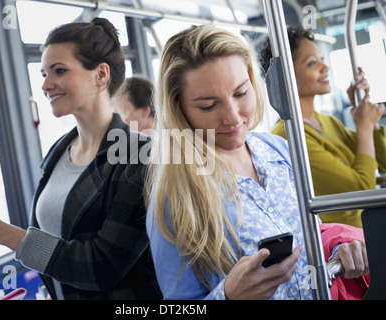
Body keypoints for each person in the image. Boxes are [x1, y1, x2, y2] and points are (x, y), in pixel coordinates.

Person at [144, 24, 369, 300]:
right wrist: (228, 296)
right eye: (208, 106)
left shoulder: (280, 149)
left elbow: (310, 236)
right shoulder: (175, 197)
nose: (233, 117)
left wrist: (338, 248)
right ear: (180, 110)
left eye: (240, 93)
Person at [0, 18, 162, 300]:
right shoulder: (59, 151)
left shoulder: (138, 156)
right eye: (43, 74)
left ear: (100, 74)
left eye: (59, 71)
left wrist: (5, 234)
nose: (46, 85)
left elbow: (101, 267)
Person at [259, 26, 386, 228]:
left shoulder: (326, 121)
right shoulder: (288, 135)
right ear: (286, 77)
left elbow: (382, 161)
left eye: (322, 60)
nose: (325, 68)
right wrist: (363, 126)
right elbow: (362, 190)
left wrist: (368, 118)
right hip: (347, 243)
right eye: (312, 63)